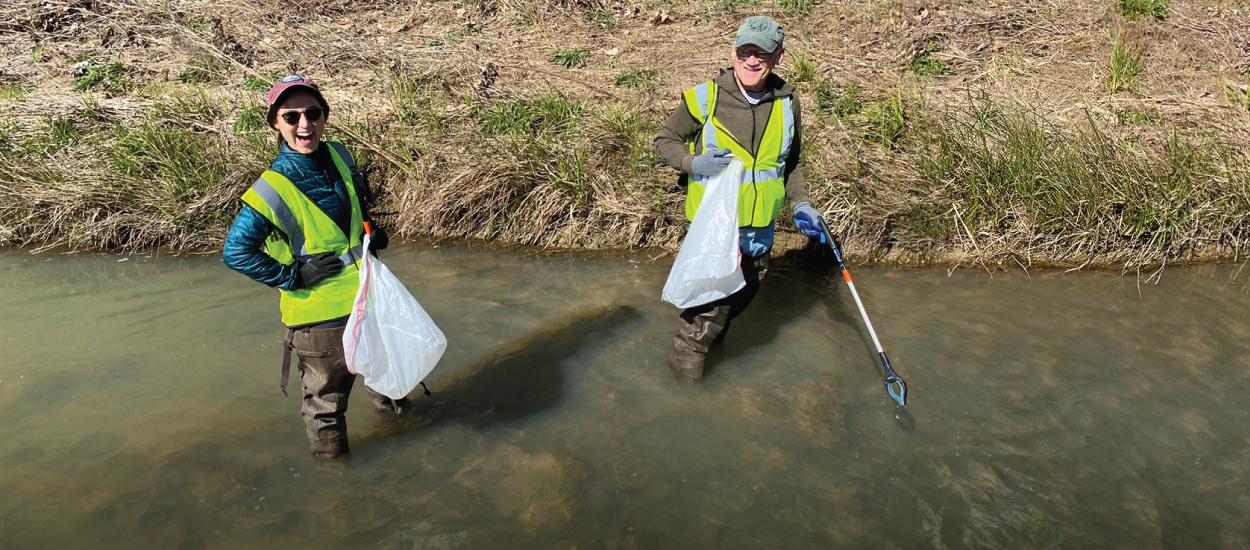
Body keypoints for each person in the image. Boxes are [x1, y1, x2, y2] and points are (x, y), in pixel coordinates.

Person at [223, 75, 398, 458]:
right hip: (320, 318)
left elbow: (350, 213)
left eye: (313, 113)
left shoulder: (339, 154)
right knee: (327, 406)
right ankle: (338, 488)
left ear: (324, 115)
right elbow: (236, 252)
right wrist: (294, 276)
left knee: (389, 377)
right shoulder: (270, 188)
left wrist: (369, 234)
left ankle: (408, 441)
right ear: (275, 122)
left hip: (368, 295)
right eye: (292, 116)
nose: (305, 125)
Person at [654, 16, 827, 382]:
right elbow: (665, 140)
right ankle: (685, 395)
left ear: (778, 56)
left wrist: (801, 204)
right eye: (745, 51)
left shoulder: (787, 102)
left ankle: (707, 355)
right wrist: (691, 161)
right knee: (706, 317)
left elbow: (789, 162)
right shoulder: (705, 96)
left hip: (759, 230)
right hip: (715, 230)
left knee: (737, 301)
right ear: (734, 52)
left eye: (761, 53)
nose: (752, 60)